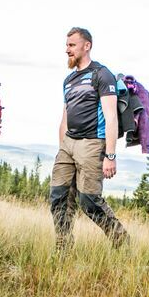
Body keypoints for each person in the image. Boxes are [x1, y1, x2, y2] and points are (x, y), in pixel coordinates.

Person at [49, 27, 129, 252]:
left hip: (93, 143)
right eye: (66, 45)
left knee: (89, 200)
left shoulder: (101, 74)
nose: (67, 50)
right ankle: (63, 247)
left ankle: (121, 241)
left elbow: (111, 117)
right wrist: (62, 147)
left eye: (72, 45)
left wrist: (110, 155)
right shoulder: (68, 80)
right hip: (68, 145)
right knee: (58, 196)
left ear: (87, 46)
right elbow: (64, 117)